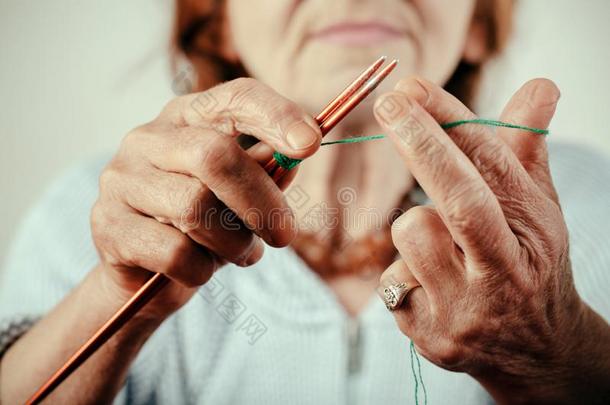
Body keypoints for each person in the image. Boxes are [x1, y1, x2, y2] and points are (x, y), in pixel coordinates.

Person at [1, 0, 609, 403]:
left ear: (477, 23)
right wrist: (117, 298)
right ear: (219, 21)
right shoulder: (92, 210)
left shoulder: (596, 205)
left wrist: (555, 353)